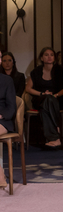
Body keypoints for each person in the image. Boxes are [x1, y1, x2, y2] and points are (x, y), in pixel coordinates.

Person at [25, 47, 63, 148]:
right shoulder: (36, 72)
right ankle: (56, 128)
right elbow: (28, 89)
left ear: (54, 58)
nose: (49, 57)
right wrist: (42, 94)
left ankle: (53, 139)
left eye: (51, 55)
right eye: (46, 55)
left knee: (45, 109)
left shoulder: (60, 70)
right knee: (47, 99)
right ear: (42, 58)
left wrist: (55, 95)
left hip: (57, 99)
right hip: (40, 99)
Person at [0, 50, 17, 189]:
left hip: (2, 120)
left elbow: (11, 107)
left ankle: (0, 177)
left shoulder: (7, 80)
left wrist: (0, 115)